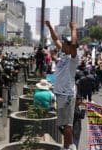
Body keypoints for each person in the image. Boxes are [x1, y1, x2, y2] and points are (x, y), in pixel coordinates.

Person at [45, 20, 78, 150]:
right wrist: (49, 26)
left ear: (71, 47)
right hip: (60, 94)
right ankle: (68, 145)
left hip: (67, 95)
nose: (62, 44)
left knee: (66, 124)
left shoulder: (73, 59)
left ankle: (68, 146)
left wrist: (74, 29)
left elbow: (74, 44)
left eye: (65, 44)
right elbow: (55, 39)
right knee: (62, 124)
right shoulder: (64, 55)